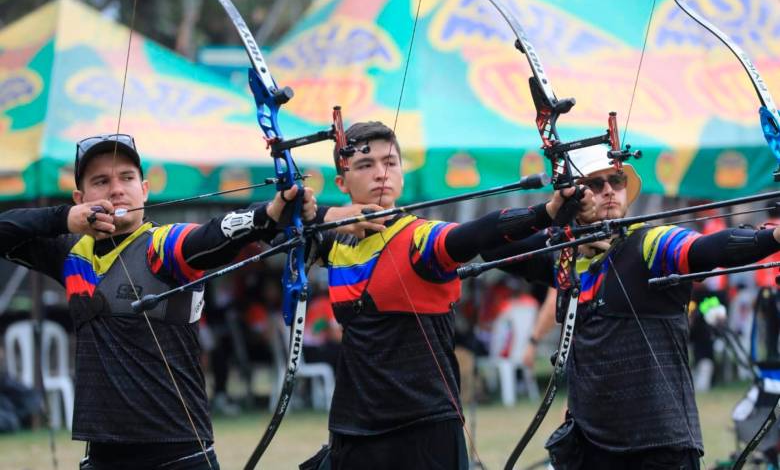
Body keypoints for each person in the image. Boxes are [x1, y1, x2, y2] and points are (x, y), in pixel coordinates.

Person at [0, 133, 368, 470]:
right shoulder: (70, 254)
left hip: (178, 456)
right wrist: (62, 219)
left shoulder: (162, 246)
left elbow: (212, 235)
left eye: (127, 178)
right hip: (102, 456)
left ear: (144, 190)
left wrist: (270, 215)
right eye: (101, 181)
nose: (116, 190)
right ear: (79, 200)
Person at [310, 121, 593, 470]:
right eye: (366, 165)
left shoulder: (420, 239)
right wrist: (330, 216)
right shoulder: (332, 243)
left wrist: (545, 214)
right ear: (342, 182)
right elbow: (278, 227)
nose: (381, 174)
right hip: (352, 429)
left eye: (390, 162)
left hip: (424, 428)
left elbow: (476, 235)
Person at [482, 144, 780, 470]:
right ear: (573, 196)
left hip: (659, 447)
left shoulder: (650, 245)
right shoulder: (565, 259)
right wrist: (553, 216)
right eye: (595, 185)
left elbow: (708, 248)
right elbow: (491, 247)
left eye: (617, 181)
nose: (609, 190)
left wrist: (772, 238)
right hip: (590, 447)